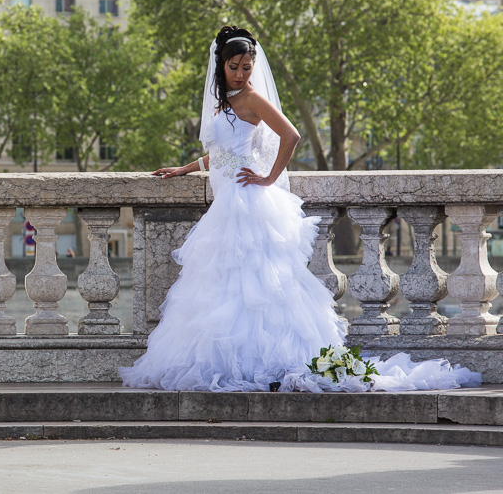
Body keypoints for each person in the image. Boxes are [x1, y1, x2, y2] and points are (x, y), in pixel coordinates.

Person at [119, 26, 481, 393]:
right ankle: (233, 362)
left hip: (249, 203)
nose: (242, 73)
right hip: (227, 205)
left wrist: (266, 177)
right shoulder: (223, 104)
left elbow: (291, 135)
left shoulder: (251, 99)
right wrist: (185, 168)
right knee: (225, 287)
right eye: (235, 67)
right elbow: (225, 153)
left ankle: (263, 363)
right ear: (220, 66)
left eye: (247, 66)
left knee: (259, 286)